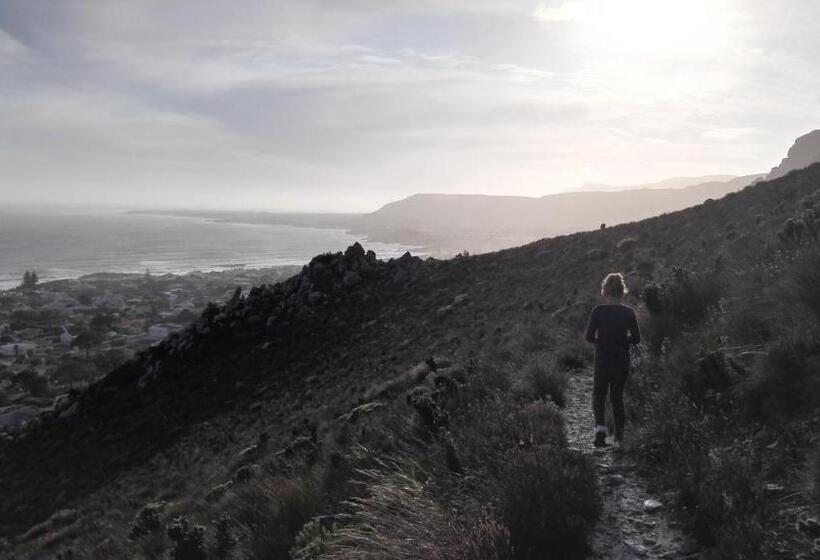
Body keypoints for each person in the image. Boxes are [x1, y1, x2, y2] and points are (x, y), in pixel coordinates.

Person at [584, 272, 641, 447]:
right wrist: (623, 340)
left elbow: (588, 337)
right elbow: (637, 338)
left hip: (603, 359)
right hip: (621, 360)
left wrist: (600, 342)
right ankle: (619, 437)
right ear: (622, 291)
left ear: (605, 290)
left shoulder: (598, 311)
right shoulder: (629, 312)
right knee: (617, 397)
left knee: (599, 394)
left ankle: (600, 430)